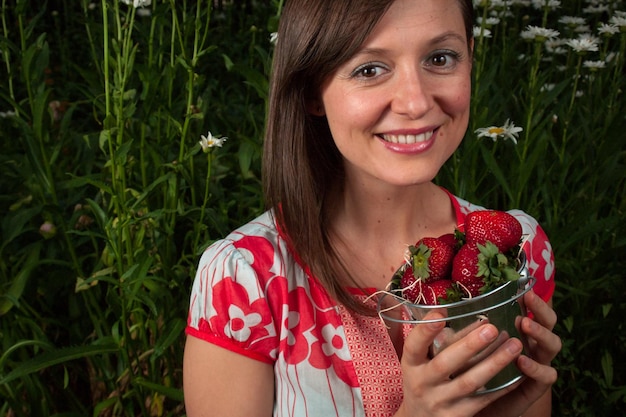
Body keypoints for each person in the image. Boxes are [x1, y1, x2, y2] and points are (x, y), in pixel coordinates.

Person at [183, 0, 561, 416]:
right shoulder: (246, 277)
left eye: (440, 58)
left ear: (470, 59)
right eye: (369, 69)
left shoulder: (516, 249)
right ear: (312, 90)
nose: (415, 103)